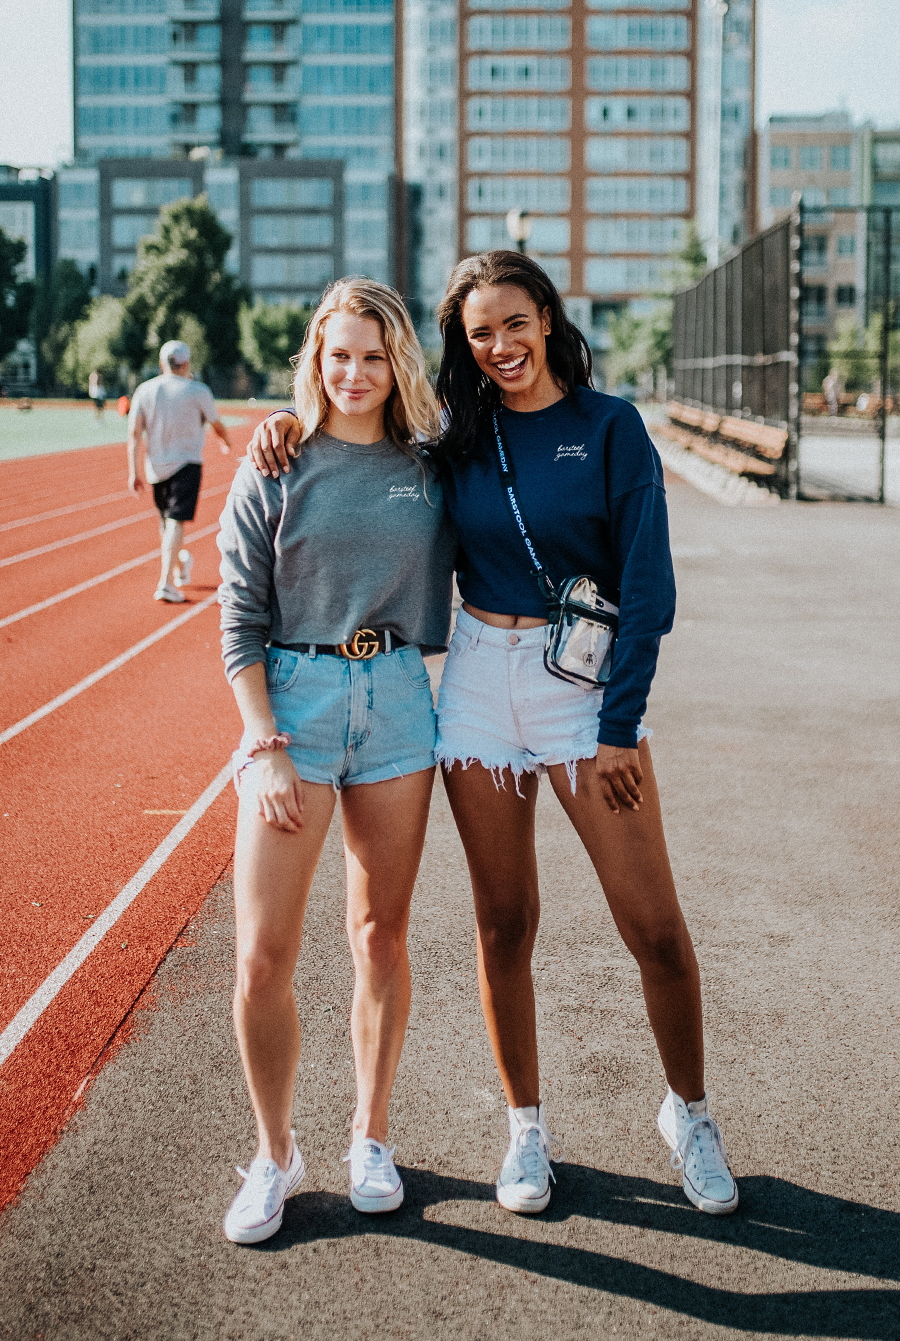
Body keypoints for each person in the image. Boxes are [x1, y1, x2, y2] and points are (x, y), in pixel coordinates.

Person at [249, 252, 739, 1219]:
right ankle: (526, 1130)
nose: (502, 346)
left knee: (653, 929)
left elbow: (649, 592)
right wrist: (281, 424)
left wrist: (619, 726)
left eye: (516, 323)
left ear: (549, 318)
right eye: (480, 334)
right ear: (461, 345)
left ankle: (690, 1112)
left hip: (584, 694)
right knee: (503, 922)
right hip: (477, 684)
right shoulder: (452, 439)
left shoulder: (610, 428)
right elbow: (357, 440)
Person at [217, 279, 455, 1245]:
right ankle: (274, 1156)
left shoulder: (436, 466)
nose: (353, 373)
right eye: (337, 355)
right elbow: (237, 619)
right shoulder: (275, 463)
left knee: (379, 934)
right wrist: (265, 743)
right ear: (314, 360)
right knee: (263, 954)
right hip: (296, 706)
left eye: (371, 355)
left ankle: (371, 1135)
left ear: (397, 362)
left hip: (398, 701)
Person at [128, 340, 231, 603]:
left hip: (156, 467)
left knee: (168, 521)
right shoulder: (197, 390)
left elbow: (134, 435)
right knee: (174, 522)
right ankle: (166, 582)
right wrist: (225, 442)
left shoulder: (144, 390)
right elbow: (216, 423)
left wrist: (134, 471)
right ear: (186, 363)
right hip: (187, 462)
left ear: (162, 363)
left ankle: (175, 569)